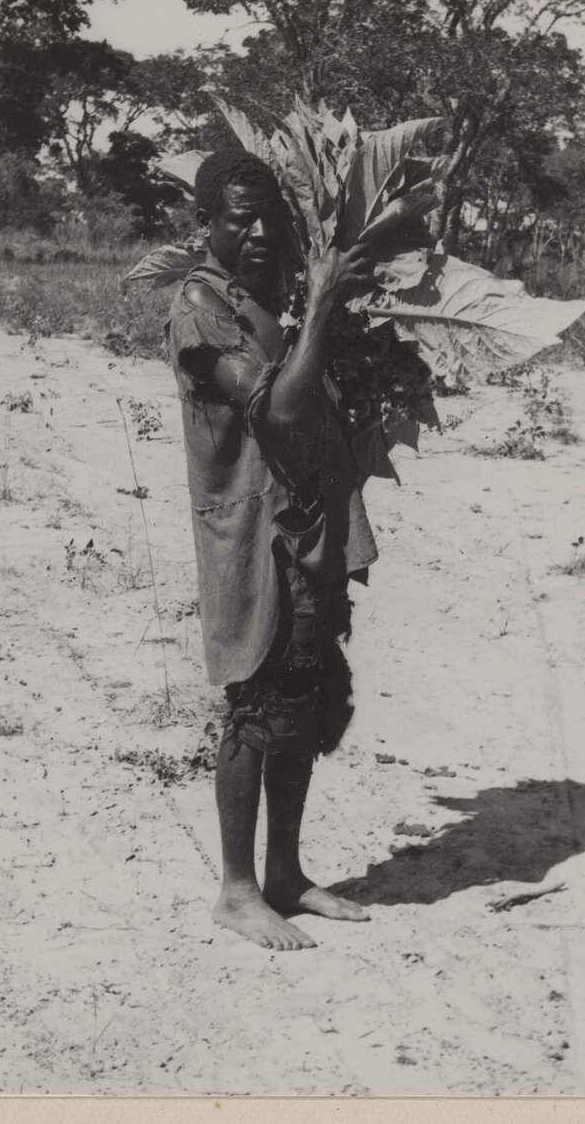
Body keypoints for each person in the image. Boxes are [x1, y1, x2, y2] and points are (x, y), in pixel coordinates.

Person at [164, 147, 379, 951]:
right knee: (254, 707)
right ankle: (238, 887)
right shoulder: (200, 308)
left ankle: (285, 872)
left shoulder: (270, 300)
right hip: (249, 538)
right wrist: (322, 303)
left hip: (305, 533)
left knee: (302, 695)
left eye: (268, 218)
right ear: (205, 223)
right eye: (237, 217)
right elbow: (279, 415)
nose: (256, 231)